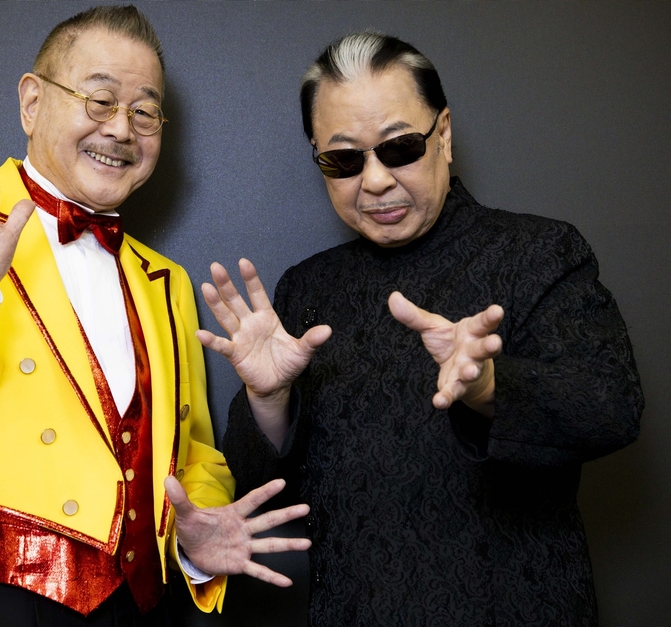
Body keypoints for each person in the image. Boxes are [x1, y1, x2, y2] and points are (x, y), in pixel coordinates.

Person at [0, 6, 309, 627]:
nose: (122, 130)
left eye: (144, 112)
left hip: (143, 611)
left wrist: (193, 538)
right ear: (32, 103)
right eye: (100, 100)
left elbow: (190, 459)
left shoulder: (166, 282)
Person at [199, 32, 643, 626]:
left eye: (400, 147)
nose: (375, 180)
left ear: (445, 135)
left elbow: (613, 408)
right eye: (344, 160)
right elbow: (261, 493)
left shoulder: (538, 252)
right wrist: (269, 400)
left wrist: (487, 386)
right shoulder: (307, 289)